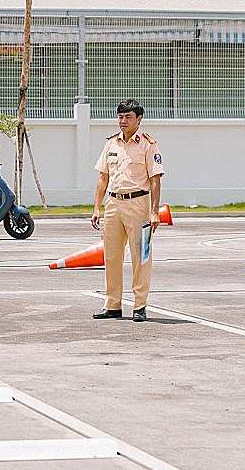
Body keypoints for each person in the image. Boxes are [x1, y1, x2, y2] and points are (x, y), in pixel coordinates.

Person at [91, 99, 164, 322]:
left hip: (138, 204)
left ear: (139, 119)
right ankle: (112, 304)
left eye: (128, 117)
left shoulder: (148, 144)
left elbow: (155, 180)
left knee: (140, 257)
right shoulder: (111, 143)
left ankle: (139, 306)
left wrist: (154, 212)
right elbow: (103, 177)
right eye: (120, 117)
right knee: (112, 256)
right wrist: (96, 207)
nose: (123, 121)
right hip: (113, 204)